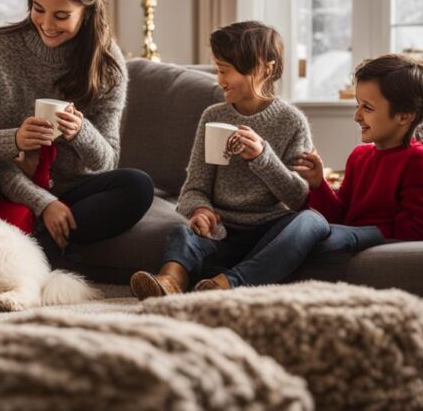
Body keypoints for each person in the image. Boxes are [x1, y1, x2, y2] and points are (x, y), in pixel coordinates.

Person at [0, 0, 154, 267]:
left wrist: (80, 130)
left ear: (86, 11)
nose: (46, 23)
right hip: (3, 182)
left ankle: (35, 244)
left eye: (61, 16)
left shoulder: (108, 63)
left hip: (73, 193)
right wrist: (15, 141)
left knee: (138, 186)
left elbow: (107, 160)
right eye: (38, 9)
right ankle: (47, 249)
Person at [130, 21, 329, 298]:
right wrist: (200, 210)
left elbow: (298, 197)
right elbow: (194, 186)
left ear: (265, 69)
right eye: (218, 70)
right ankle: (170, 281)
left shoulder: (291, 122)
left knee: (308, 224)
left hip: (269, 232)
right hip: (222, 232)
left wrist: (263, 157)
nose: (219, 80)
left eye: (225, 71)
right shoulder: (213, 116)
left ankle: (229, 282)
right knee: (181, 233)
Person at [292, 54, 423, 250]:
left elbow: (419, 231)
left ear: (405, 115)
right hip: (346, 235)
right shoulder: (359, 157)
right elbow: (339, 216)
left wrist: (362, 232)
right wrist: (318, 183)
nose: (356, 116)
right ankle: (243, 277)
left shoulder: (418, 161)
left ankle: (242, 278)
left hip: (371, 242)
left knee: (312, 229)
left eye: (367, 107)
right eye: (358, 105)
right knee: (295, 221)